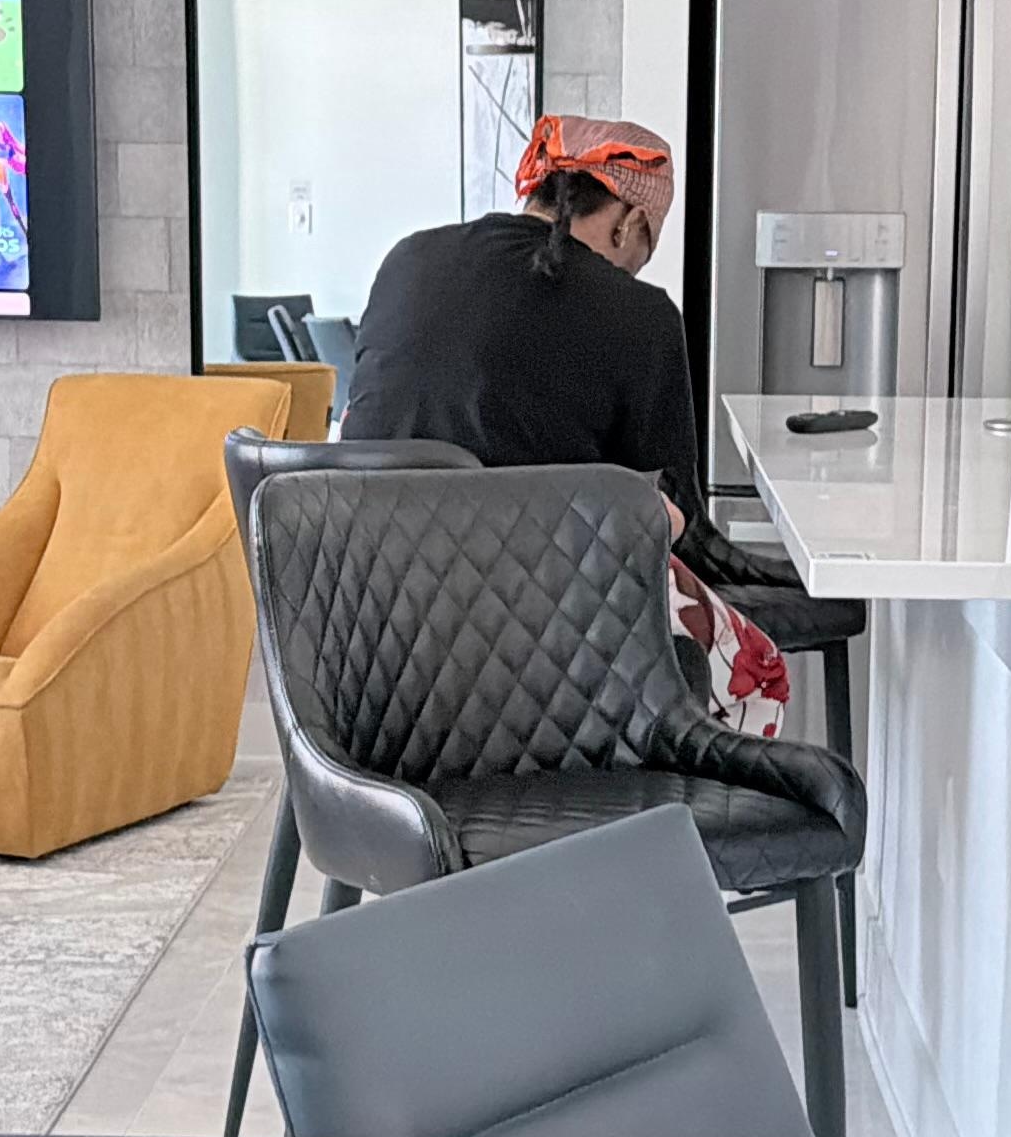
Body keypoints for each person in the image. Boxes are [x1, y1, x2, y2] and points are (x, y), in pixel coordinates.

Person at [340, 117, 794, 732]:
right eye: (646, 246)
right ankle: (653, 820)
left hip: (367, 628)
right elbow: (671, 523)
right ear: (627, 221)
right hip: (530, 646)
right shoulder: (641, 314)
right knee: (757, 673)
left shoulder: (406, 259)